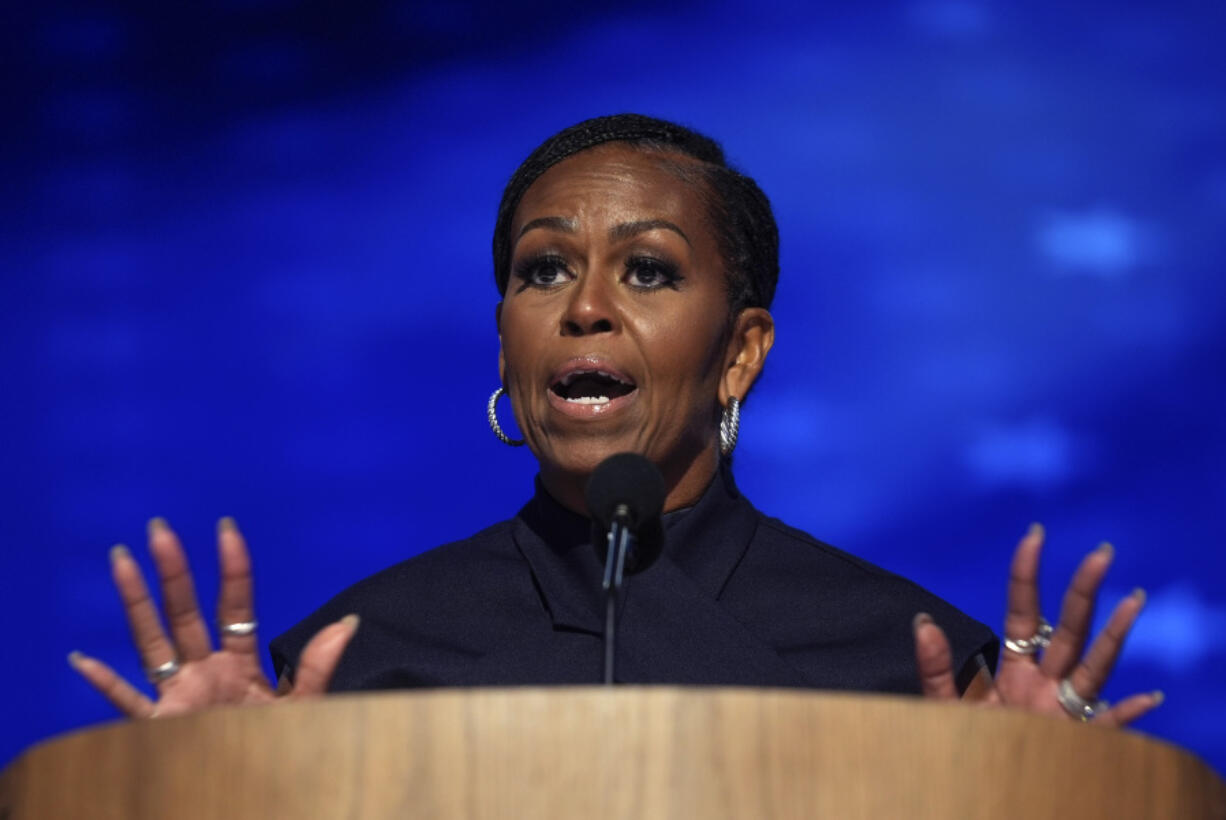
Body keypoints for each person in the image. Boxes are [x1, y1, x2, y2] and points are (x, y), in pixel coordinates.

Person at [69, 114, 1160, 725]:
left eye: (646, 269)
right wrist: (202, 791)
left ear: (740, 352)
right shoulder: (350, 665)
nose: (585, 304)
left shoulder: (912, 664)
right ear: (506, 344)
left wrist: (1028, 793)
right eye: (543, 270)